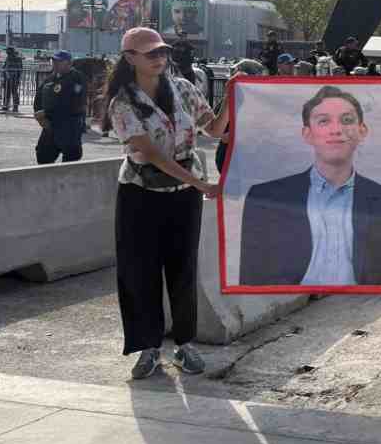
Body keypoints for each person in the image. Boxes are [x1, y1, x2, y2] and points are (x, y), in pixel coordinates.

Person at [103, 27, 230, 379]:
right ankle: (148, 348)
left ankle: (185, 345)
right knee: (139, 271)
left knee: (182, 268)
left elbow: (214, 130)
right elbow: (153, 155)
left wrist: (234, 95)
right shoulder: (123, 102)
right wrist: (201, 182)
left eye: (162, 52)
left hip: (183, 195)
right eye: (150, 54)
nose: (160, 58)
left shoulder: (184, 89)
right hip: (140, 193)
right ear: (130, 58)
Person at [239, 85, 381, 286]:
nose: (336, 129)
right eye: (323, 121)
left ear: (362, 131)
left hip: (361, 307)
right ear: (307, 134)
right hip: (296, 310)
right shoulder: (266, 198)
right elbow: (252, 278)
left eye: (347, 120)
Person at [33, 51, 88, 164]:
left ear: (69, 63)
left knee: (70, 161)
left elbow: (73, 103)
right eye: (54, 61)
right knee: (43, 155)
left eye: (59, 61)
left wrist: (46, 113)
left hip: (69, 127)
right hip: (50, 126)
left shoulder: (77, 78)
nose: (55, 63)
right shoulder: (50, 79)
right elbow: (38, 97)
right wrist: (40, 117)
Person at [213, 59, 265, 175]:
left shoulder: (261, 102)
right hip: (230, 158)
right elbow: (219, 132)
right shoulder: (229, 101)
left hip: (252, 159)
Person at [3, 45, 22, 112]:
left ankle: (15, 106)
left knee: (14, 92)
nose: (6, 52)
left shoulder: (17, 58)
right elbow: (5, 67)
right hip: (8, 78)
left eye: (7, 50)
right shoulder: (8, 58)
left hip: (14, 78)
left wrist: (18, 78)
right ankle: (6, 105)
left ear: (10, 51)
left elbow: (19, 69)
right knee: (7, 92)